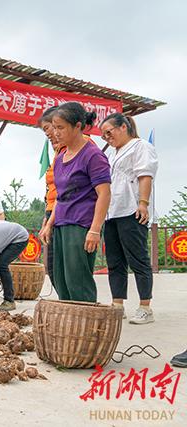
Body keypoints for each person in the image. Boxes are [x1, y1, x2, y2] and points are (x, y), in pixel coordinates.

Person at [40, 102, 111, 303]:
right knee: (61, 279)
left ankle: (88, 327)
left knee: (78, 280)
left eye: (60, 127)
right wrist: (49, 224)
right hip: (61, 223)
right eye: (54, 127)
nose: (56, 132)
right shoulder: (61, 156)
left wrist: (95, 229)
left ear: (78, 126)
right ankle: (70, 327)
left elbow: (104, 193)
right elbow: (60, 196)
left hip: (81, 224)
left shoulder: (93, 155)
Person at [101, 113, 158, 324]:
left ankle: (145, 307)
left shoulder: (140, 146)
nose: (107, 137)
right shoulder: (112, 154)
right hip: (112, 212)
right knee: (115, 261)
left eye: (110, 132)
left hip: (131, 210)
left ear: (123, 127)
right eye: (103, 135)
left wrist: (143, 203)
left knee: (138, 259)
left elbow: (145, 175)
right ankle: (117, 305)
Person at [38, 106, 64, 293]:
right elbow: (53, 192)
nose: (49, 133)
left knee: (67, 266)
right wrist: (46, 220)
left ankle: (75, 304)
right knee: (53, 265)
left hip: (67, 212)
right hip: (53, 211)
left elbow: (65, 191)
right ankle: (65, 301)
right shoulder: (57, 153)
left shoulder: (81, 147)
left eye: (49, 127)